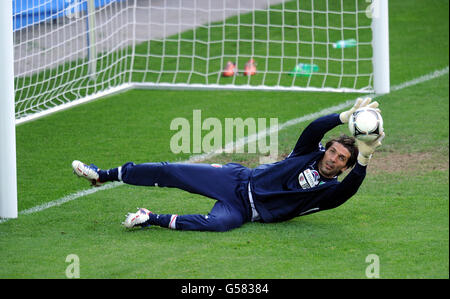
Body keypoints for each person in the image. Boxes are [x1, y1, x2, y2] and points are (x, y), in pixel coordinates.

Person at [72, 98, 384, 232]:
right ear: (325, 150)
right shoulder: (306, 152)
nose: (334, 159)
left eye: (342, 159)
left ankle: (149, 218)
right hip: (237, 181)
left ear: (344, 167)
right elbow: (314, 129)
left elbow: (347, 192)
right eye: (333, 152)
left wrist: (365, 159)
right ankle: (103, 175)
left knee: (217, 224)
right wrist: (343, 117)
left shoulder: (327, 192)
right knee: (172, 171)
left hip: (245, 212)